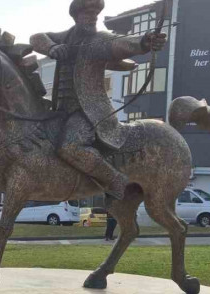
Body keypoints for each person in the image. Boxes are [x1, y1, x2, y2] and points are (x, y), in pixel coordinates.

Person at [29, 0, 167, 200]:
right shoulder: (66, 36)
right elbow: (36, 37)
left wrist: (144, 42)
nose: (93, 18)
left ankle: (118, 181)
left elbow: (121, 43)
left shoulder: (100, 40)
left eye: (96, 14)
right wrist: (52, 48)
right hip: (60, 110)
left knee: (70, 147)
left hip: (88, 112)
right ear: (76, 16)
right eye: (87, 14)